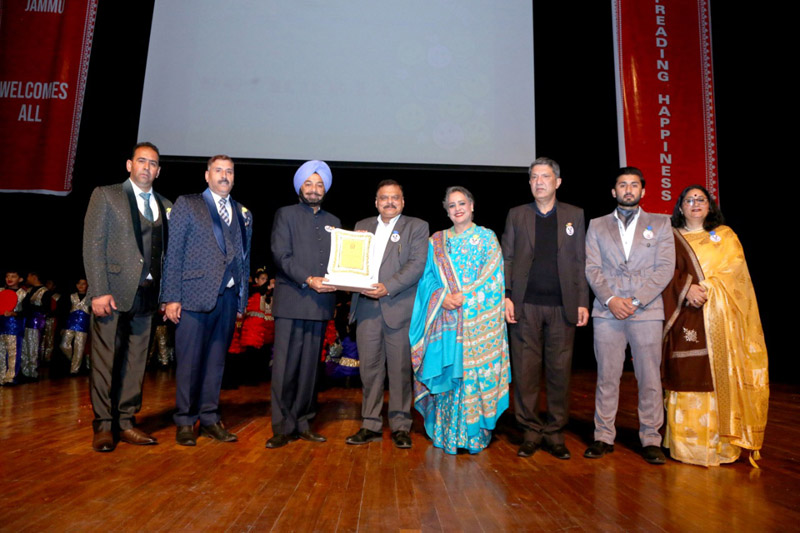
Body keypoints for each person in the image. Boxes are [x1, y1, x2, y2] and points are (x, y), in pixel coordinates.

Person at [662, 185, 768, 466]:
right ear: (680, 207)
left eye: (701, 199)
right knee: (686, 374)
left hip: (721, 320)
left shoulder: (725, 235)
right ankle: (686, 447)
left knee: (720, 377)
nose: (695, 203)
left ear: (709, 206)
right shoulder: (669, 238)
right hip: (683, 315)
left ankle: (722, 446)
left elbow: (735, 271)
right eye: (689, 200)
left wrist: (707, 287)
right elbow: (661, 272)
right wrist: (687, 290)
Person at [83, 141, 172, 452]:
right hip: (112, 292)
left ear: (159, 171)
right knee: (106, 361)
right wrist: (99, 290)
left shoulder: (165, 204)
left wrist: (168, 294)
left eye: (153, 163)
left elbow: (167, 255)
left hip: (149, 294)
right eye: (142, 161)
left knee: (136, 362)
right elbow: (93, 246)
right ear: (129, 165)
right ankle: (104, 426)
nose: (147, 167)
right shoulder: (106, 195)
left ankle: (127, 421)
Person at [584, 167, 675, 464]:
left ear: (643, 191)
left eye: (634, 185)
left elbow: (665, 268)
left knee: (648, 377)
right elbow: (592, 268)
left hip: (646, 311)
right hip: (607, 312)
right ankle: (603, 436)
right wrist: (611, 300)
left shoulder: (661, 224)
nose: (628, 189)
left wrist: (635, 300)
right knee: (607, 377)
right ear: (614, 191)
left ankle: (651, 438)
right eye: (622, 184)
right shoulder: (597, 225)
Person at [410, 186, 511, 454]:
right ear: (446, 210)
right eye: (452, 205)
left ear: (472, 206)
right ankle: (447, 434)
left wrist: (463, 298)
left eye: (462, 203)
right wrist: (443, 297)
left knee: (471, 377)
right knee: (447, 375)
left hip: (478, 323)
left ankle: (473, 436)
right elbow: (426, 279)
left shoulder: (487, 238)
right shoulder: (436, 242)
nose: (458, 209)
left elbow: (494, 278)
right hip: (444, 320)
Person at [502, 157, 589, 459]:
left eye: (545, 177)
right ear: (529, 183)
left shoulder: (574, 215)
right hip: (525, 305)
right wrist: (507, 294)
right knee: (525, 372)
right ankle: (529, 430)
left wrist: (582, 301)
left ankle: (554, 432)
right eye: (534, 177)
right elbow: (508, 257)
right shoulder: (517, 215)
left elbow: (580, 260)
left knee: (559, 371)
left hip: (562, 306)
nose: (539, 182)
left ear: (558, 182)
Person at [162, 155, 252, 446]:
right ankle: (186, 421)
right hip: (191, 297)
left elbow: (244, 259)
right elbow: (173, 253)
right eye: (218, 170)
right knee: (189, 362)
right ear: (207, 175)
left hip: (227, 298)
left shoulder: (242, 212)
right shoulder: (188, 204)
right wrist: (171, 297)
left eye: (229, 171)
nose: (224, 175)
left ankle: (210, 418)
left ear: (234, 177)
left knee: (216, 363)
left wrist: (241, 301)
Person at [346, 180, 429, 448]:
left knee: (400, 370)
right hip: (367, 309)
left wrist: (388, 287)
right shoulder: (361, 226)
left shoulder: (416, 226)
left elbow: (417, 265)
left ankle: (401, 425)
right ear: (376, 202)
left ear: (403, 202)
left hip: (399, 309)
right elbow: (351, 264)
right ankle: (370, 423)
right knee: (369, 371)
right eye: (384, 198)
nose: (389, 202)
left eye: (395, 198)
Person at [266, 160, 340, 448]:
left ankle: (304, 422)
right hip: (293, 300)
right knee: (285, 368)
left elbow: (340, 261)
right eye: (308, 183)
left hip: (320, 305)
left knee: (311, 369)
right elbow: (280, 255)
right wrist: (308, 279)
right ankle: (282, 427)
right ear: (299, 187)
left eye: (319, 184)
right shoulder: (285, 215)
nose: (313, 188)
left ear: (325, 189)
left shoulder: (333, 220)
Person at [21, 270, 51, 379]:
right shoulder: (29, 290)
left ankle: (32, 372)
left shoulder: (44, 292)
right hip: (26, 321)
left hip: (36, 322)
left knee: (33, 346)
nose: (27, 278)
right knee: (25, 347)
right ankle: (25, 371)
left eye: (28, 275)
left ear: (34, 276)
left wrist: (31, 308)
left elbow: (46, 309)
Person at [59, 278, 91, 374]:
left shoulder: (90, 298)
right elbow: (65, 311)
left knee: (79, 348)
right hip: (70, 324)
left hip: (83, 326)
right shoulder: (72, 296)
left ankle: (74, 370)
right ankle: (74, 359)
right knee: (64, 345)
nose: (80, 286)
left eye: (83, 284)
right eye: (79, 283)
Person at [0, 270, 26, 385]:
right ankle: (1, 376)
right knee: (1, 351)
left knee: (13, 352)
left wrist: (13, 313)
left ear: (20, 279)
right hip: (1, 325)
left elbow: (26, 312)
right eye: (7, 276)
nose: (9, 278)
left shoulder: (23, 294)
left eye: (13, 276)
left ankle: (11, 377)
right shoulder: (0, 291)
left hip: (14, 326)